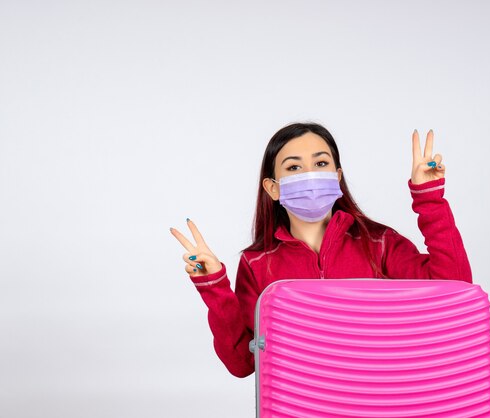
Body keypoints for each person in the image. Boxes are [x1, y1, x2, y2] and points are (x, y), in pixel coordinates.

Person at [170, 122, 472, 378]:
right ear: (273, 188)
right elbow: (242, 364)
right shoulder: (257, 263)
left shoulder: (379, 243)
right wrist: (214, 287)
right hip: (298, 405)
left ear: (337, 176)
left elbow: (455, 290)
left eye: (321, 163)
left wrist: (429, 200)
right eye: (294, 167)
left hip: (380, 400)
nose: (310, 175)